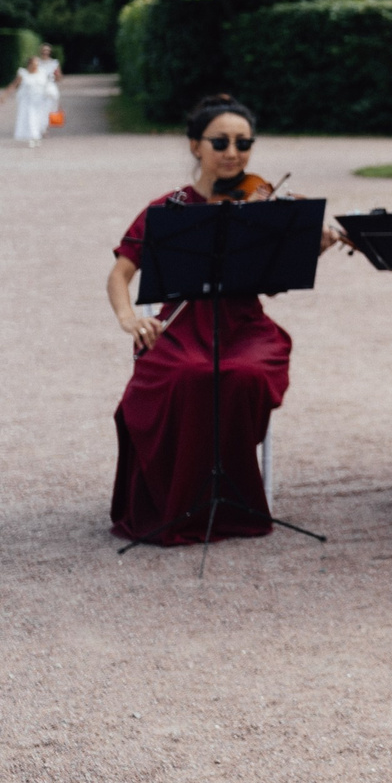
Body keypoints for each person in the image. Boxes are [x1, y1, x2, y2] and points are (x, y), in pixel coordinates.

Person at [104, 97, 301, 544]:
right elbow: (120, 274)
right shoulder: (170, 207)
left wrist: (312, 242)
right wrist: (128, 317)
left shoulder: (260, 203)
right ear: (196, 146)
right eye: (220, 142)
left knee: (243, 375)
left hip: (245, 326)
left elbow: (273, 281)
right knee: (189, 376)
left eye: (243, 142)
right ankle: (179, 500)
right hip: (183, 326)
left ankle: (231, 496)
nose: (233, 152)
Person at [8, 46, 54, 145]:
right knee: (30, 118)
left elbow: (48, 86)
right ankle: (34, 137)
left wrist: (52, 96)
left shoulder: (42, 73)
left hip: (40, 101)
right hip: (28, 101)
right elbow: (14, 85)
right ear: (30, 64)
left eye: (37, 63)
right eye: (34, 63)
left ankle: (37, 136)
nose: (36, 65)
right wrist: (4, 96)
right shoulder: (23, 74)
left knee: (39, 119)